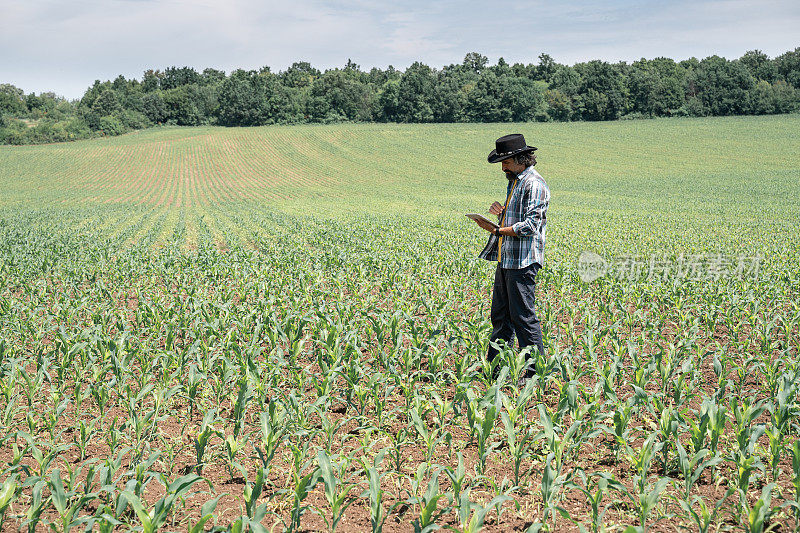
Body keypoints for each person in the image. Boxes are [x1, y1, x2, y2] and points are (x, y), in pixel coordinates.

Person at [471, 134, 550, 381]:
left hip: (523, 261)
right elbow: (518, 218)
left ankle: (535, 373)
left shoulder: (533, 184)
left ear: (520, 159)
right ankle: (493, 369)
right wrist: (502, 213)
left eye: (505, 161)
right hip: (506, 259)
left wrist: (496, 229)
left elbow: (530, 226)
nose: (503, 167)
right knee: (501, 317)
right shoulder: (515, 181)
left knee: (524, 317)